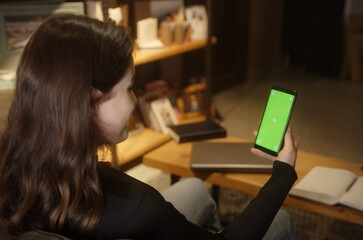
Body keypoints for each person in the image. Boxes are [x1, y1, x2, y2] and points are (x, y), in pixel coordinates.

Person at [0, 14, 299, 240]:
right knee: (281, 220)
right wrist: (282, 175)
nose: (134, 100)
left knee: (195, 188)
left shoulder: (11, 163)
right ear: (93, 101)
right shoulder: (138, 206)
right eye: (129, 88)